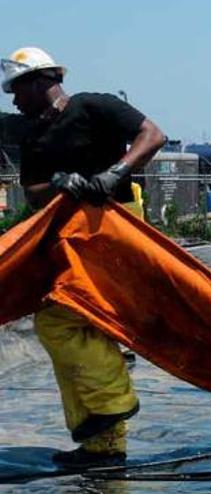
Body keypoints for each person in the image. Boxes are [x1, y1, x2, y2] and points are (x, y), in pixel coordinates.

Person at [3, 46, 165, 467]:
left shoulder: (95, 106)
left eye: (17, 89)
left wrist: (115, 172)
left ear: (42, 80)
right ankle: (102, 443)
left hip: (116, 224)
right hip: (73, 232)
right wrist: (61, 184)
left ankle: (112, 406)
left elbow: (152, 135)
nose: (13, 99)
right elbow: (34, 191)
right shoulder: (34, 135)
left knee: (68, 318)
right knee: (74, 321)